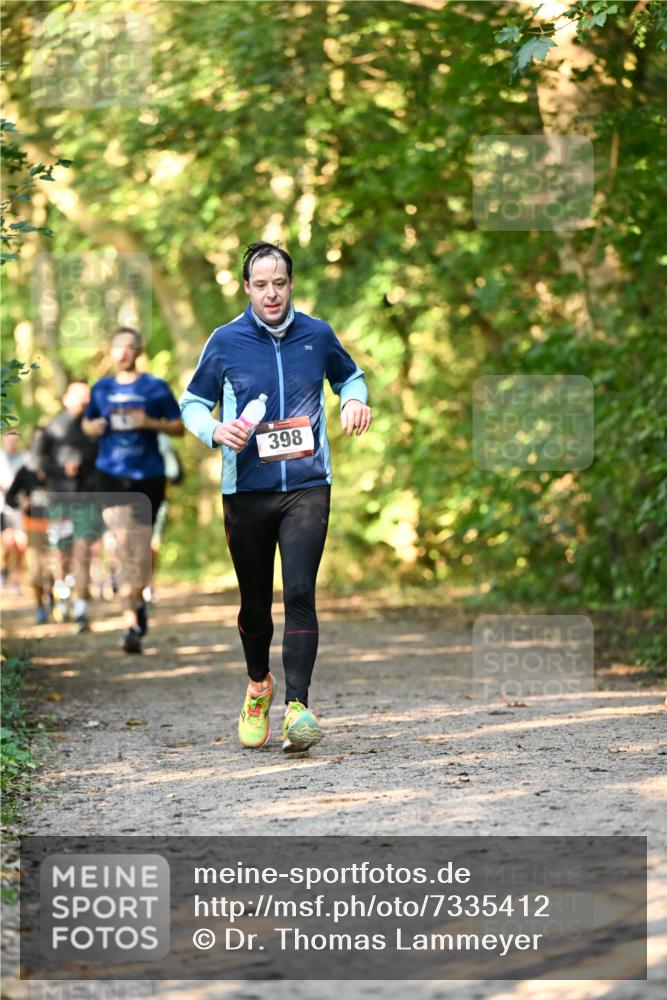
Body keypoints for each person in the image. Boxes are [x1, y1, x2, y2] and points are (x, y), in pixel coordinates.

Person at [180, 241, 371, 753]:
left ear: (291, 284)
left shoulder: (317, 334)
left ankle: (299, 708)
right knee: (255, 603)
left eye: (279, 283)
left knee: (301, 592)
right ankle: (258, 685)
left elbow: (348, 376)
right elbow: (193, 402)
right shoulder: (224, 341)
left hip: (307, 485)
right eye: (261, 284)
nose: (271, 293)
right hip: (247, 491)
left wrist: (354, 401)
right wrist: (215, 432)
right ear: (247, 288)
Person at [82, 327, 184, 653]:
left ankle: (137, 602)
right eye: (118, 347)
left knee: (140, 548)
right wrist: (92, 427)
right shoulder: (101, 388)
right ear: (110, 352)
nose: (124, 353)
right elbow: (87, 422)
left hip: (148, 475)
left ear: (138, 351)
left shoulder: (154, 387)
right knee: (122, 544)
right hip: (110, 473)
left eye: (130, 347)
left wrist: (149, 423)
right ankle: (129, 619)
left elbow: (179, 427)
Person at [37, 382, 101, 632]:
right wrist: (61, 470)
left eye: (87, 397)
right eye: (79, 397)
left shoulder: (96, 426)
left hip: (88, 499)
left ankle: (81, 610)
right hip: (59, 499)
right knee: (61, 556)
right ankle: (62, 595)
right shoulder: (53, 427)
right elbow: (35, 460)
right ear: (66, 399)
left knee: (83, 551)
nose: (83, 401)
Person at [4, 429, 50, 622]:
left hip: (59, 523)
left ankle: (60, 602)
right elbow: (9, 498)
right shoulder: (25, 470)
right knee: (36, 569)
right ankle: (41, 605)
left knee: (57, 566)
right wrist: (22, 504)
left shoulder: (57, 468)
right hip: (34, 524)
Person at [0, 430, 28, 592]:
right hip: (2, 506)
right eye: (9, 439)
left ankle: (16, 581)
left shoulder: (23, 458)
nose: (12, 442)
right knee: (8, 543)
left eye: (14, 439)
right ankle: (3, 571)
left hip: (18, 508)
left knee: (21, 545)